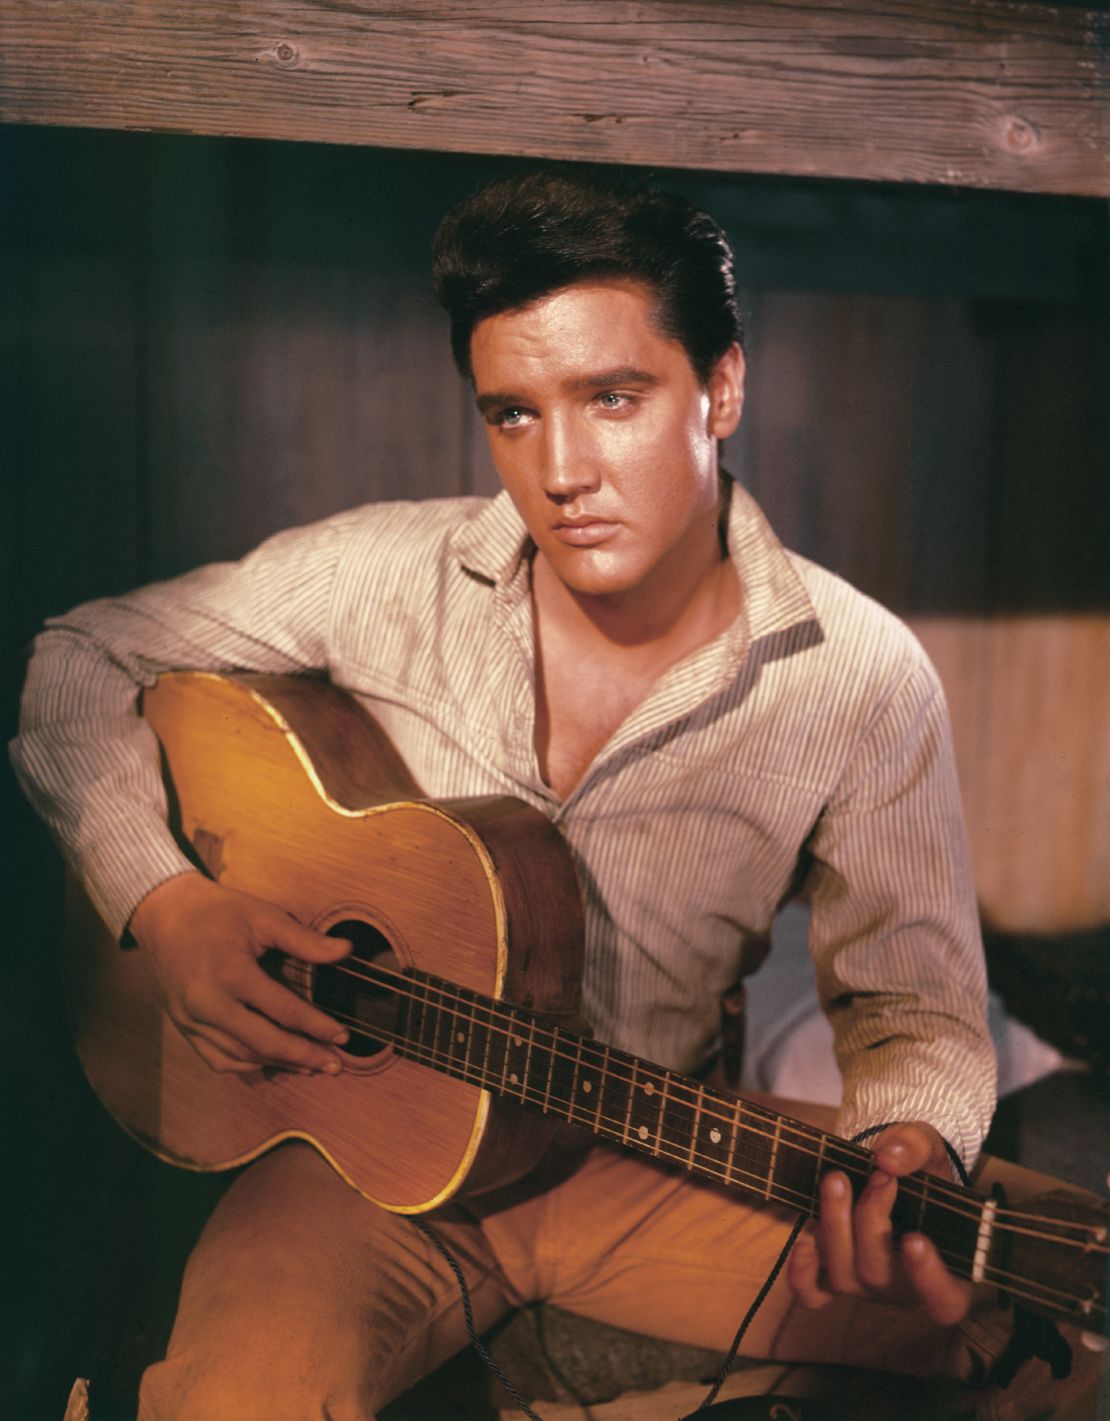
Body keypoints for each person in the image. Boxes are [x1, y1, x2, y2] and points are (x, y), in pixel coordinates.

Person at [10, 168, 1071, 1419]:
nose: (561, 468)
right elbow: (77, 656)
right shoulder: (382, 570)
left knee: (1036, 1289)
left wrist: (910, 1140)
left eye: (612, 397)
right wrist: (166, 902)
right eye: (512, 413)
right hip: (353, 1160)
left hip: (638, 1144)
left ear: (721, 386)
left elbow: (917, 1008)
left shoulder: (862, 676)